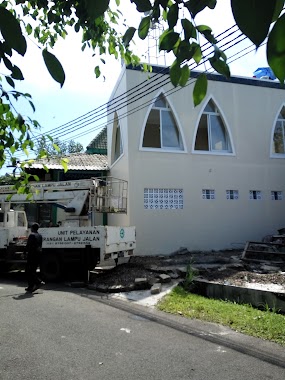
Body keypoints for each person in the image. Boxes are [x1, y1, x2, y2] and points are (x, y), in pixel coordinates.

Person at [24, 223, 44, 292]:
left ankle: (38, 281)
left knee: (29, 271)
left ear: (32, 228)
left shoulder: (32, 235)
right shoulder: (40, 235)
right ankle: (31, 286)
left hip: (32, 255)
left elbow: (28, 245)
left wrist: (24, 253)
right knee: (33, 270)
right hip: (38, 255)